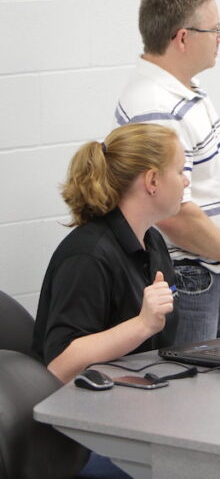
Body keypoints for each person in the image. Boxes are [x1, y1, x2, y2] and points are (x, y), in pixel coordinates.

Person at [114, 0, 220, 344]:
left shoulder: (185, 91)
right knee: (194, 399)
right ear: (183, 38)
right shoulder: (156, 107)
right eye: (215, 29)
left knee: (215, 395)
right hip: (188, 280)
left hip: (207, 275)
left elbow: (210, 179)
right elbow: (171, 212)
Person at [33, 123, 186, 384]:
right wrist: (142, 324)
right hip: (85, 412)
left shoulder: (153, 241)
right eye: (180, 171)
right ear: (152, 181)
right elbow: (59, 365)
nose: (186, 180)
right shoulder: (87, 256)